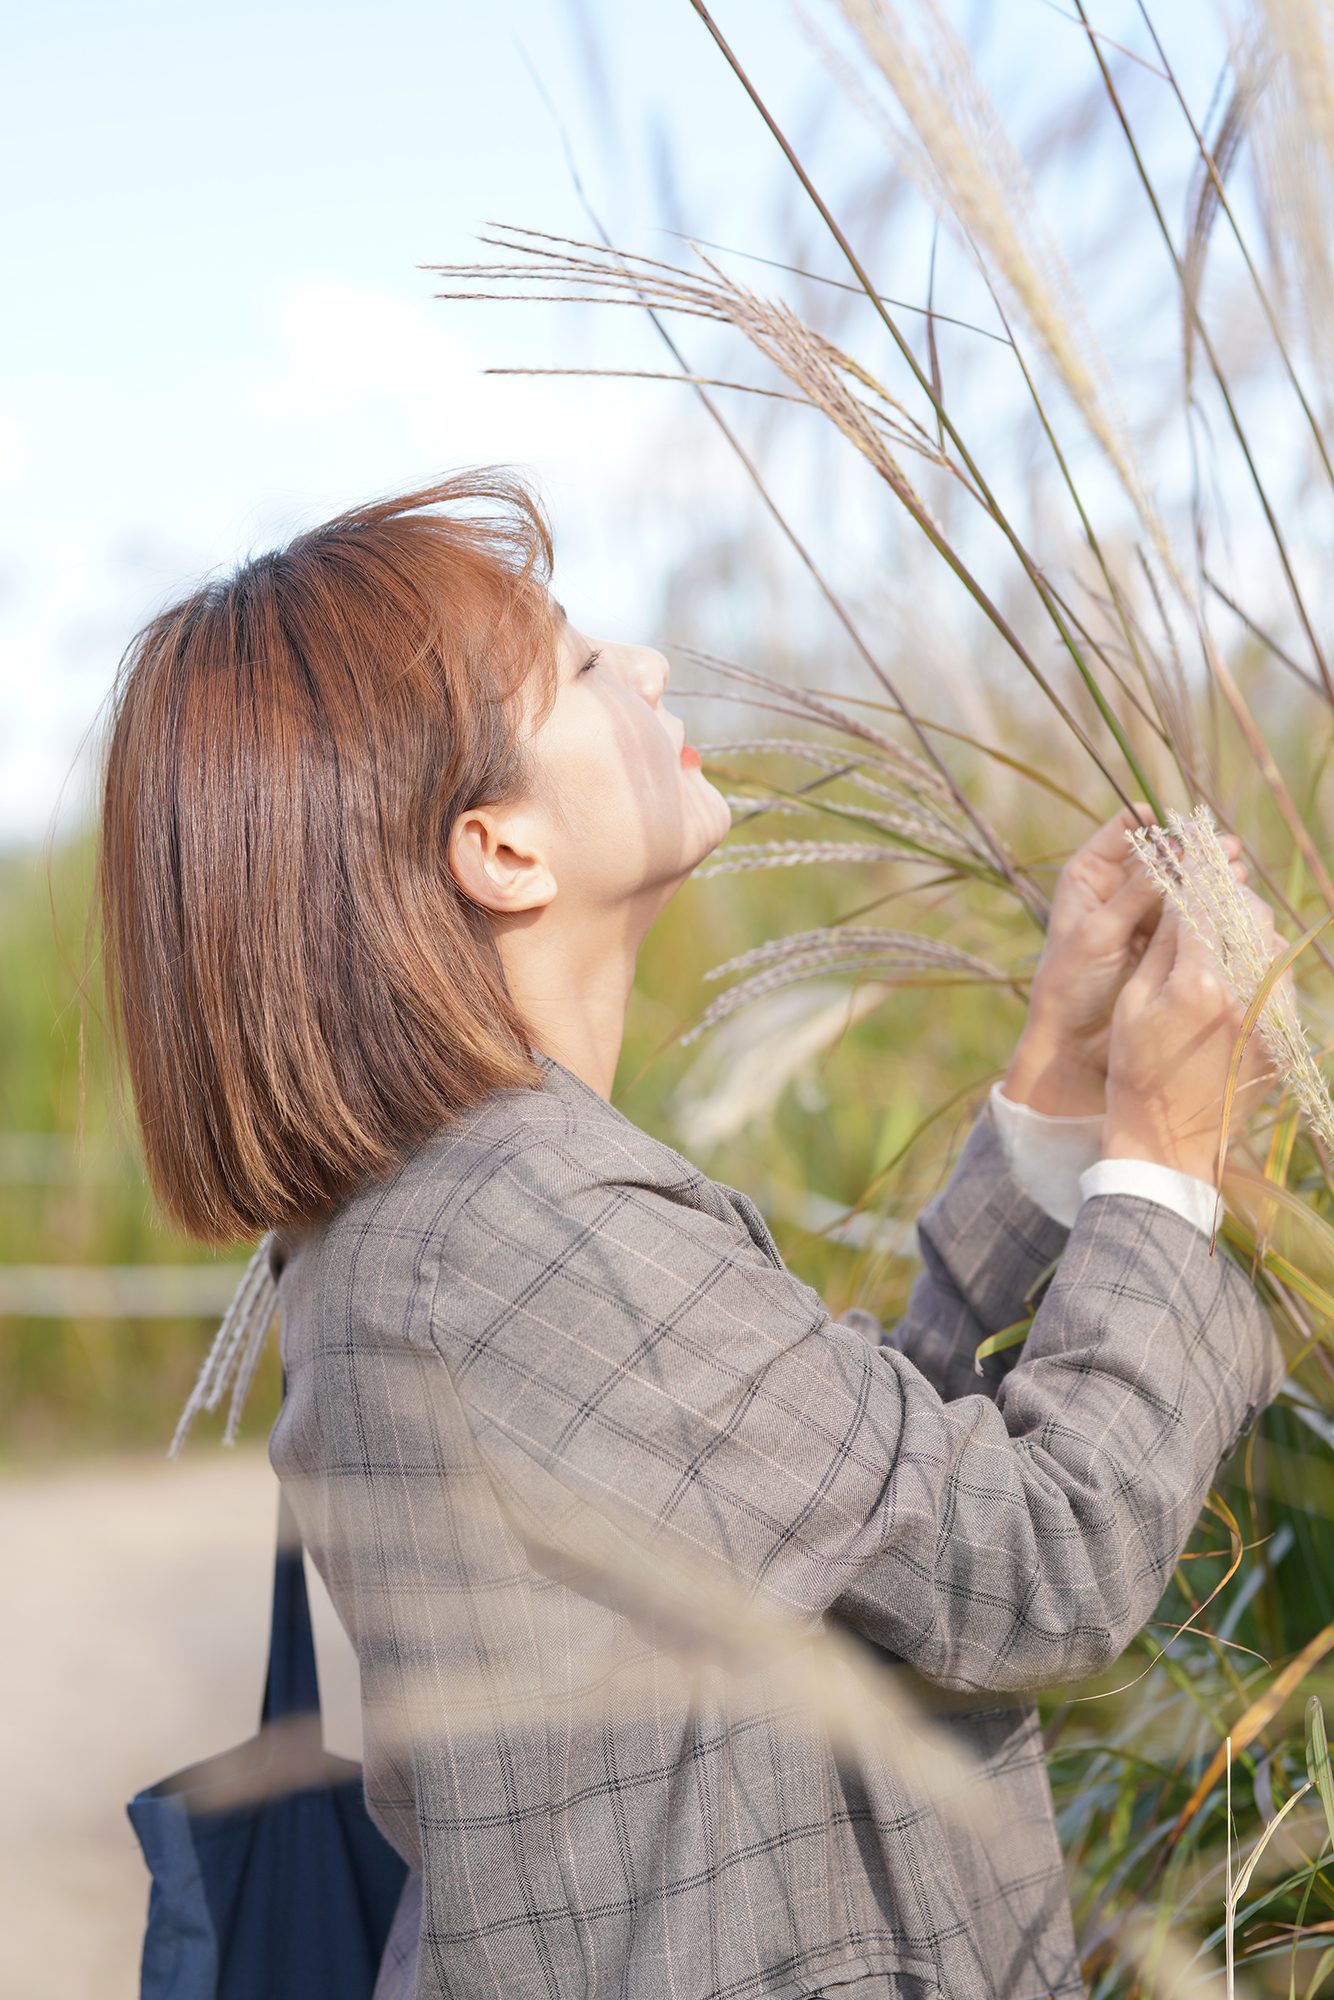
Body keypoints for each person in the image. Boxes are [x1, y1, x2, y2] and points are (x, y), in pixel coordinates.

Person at [97, 474, 1283, 2000]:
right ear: (499, 850)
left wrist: (1057, 1087)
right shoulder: (517, 1231)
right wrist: (1164, 1161)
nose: (648, 669)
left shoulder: (447, 1210)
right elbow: (1031, 1567)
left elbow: (839, 1513)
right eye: (583, 667)